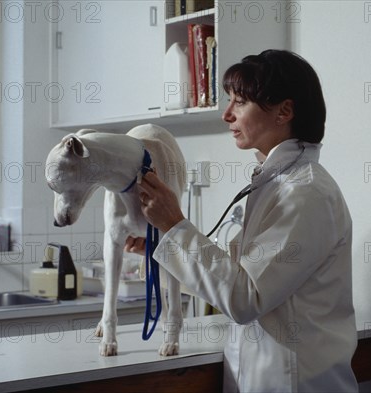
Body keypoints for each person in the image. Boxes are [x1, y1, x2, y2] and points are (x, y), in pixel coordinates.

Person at [127, 49, 358, 392]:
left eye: (240, 102)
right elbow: (232, 281)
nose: (226, 114)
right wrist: (166, 243)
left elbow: (244, 298)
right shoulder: (276, 183)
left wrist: (175, 226)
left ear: (285, 111)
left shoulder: (305, 193)